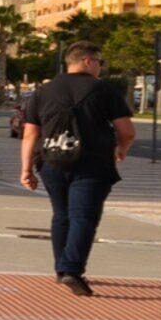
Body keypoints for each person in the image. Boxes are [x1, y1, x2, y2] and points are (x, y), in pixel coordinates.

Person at [13, 41, 135, 295]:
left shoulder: (43, 91)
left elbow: (30, 134)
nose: (101, 68)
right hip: (92, 163)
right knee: (84, 217)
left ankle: (61, 269)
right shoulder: (103, 90)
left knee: (62, 215)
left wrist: (26, 170)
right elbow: (127, 131)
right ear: (88, 61)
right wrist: (121, 149)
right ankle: (72, 270)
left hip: (51, 162)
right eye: (100, 62)